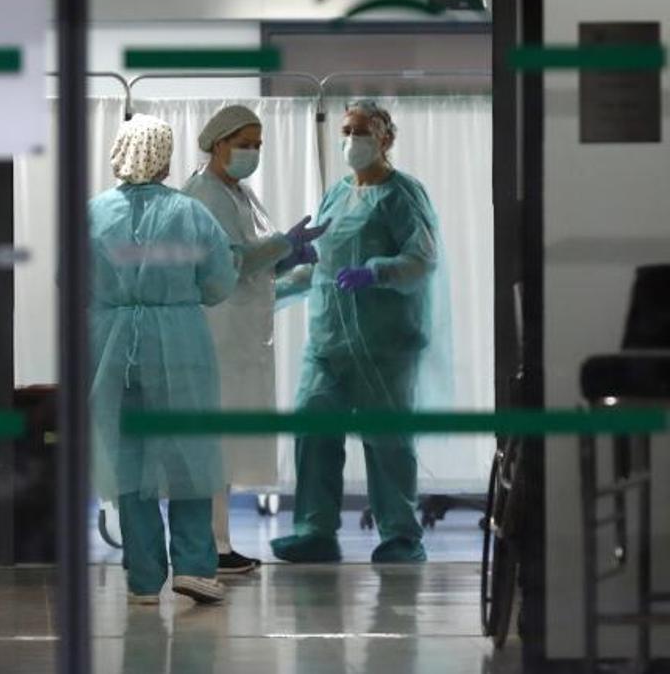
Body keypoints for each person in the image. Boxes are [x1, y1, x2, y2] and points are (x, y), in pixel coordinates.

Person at [270, 100, 447, 564]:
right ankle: (314, 530)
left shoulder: (403, 195)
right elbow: (320, 268)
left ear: (385, 138)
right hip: (328, 341)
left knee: (386, 438)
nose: (351, 140)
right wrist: (267, 294)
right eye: (347, 131)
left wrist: (377, 272)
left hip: (386, 342)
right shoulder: (336, 193)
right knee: (313, 425)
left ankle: (401, 536)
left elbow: (422, 260)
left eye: (362, 131)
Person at [90, 113, 238, 606]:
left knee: (128, 462)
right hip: (179, 343)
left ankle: (142, 576)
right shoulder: (191, 213)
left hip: (112, 347)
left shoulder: (92, 214)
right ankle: (195, 567)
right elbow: (219, 283)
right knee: (189, 454)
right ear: (164, 157)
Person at [182, 105, 328, 575]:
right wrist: (284, 246)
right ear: (218, 142)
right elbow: (229, 262)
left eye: (259, 145)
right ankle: (209, 546)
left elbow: (253, 261)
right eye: (245, 143)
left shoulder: (238, 193)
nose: (252, 153)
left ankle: (219, 543)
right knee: (213, 447)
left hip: (239, 337)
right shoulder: (203, 194)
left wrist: (291, 261)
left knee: (224, 449)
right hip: (216, 334)